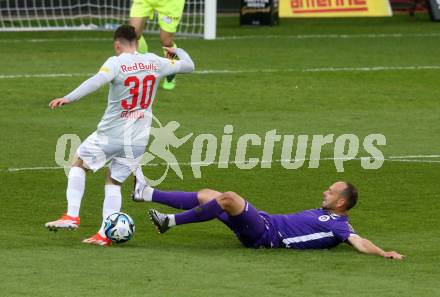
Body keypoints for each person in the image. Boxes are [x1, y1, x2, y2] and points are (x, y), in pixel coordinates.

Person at [45, 24, 195, 246]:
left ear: (117, 44)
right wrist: (177, 50)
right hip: (138, 140)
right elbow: (190, 66)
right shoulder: (155, 61)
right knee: (114, 182)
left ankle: (72, 215)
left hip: (110, 134)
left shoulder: (116, 63)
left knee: (78, 163)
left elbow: (96, 81)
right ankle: (105, 234)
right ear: (136, 41)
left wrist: (69, 97)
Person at [132, 179, 404, 259]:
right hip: (264, 222)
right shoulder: (326, 214)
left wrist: (384, 252)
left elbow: (359, 242)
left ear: (342, 202)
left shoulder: (339, 226)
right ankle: (147, 192)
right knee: (208, 194)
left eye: (330, 191)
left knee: (228, 197)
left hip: (266, 236)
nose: (325, 191)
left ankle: (170, 222)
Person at [129, 0, 185, 90]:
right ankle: (144, 65)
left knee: (166, 41)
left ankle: (171, 72)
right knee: (133, 33)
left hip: (170, 3)